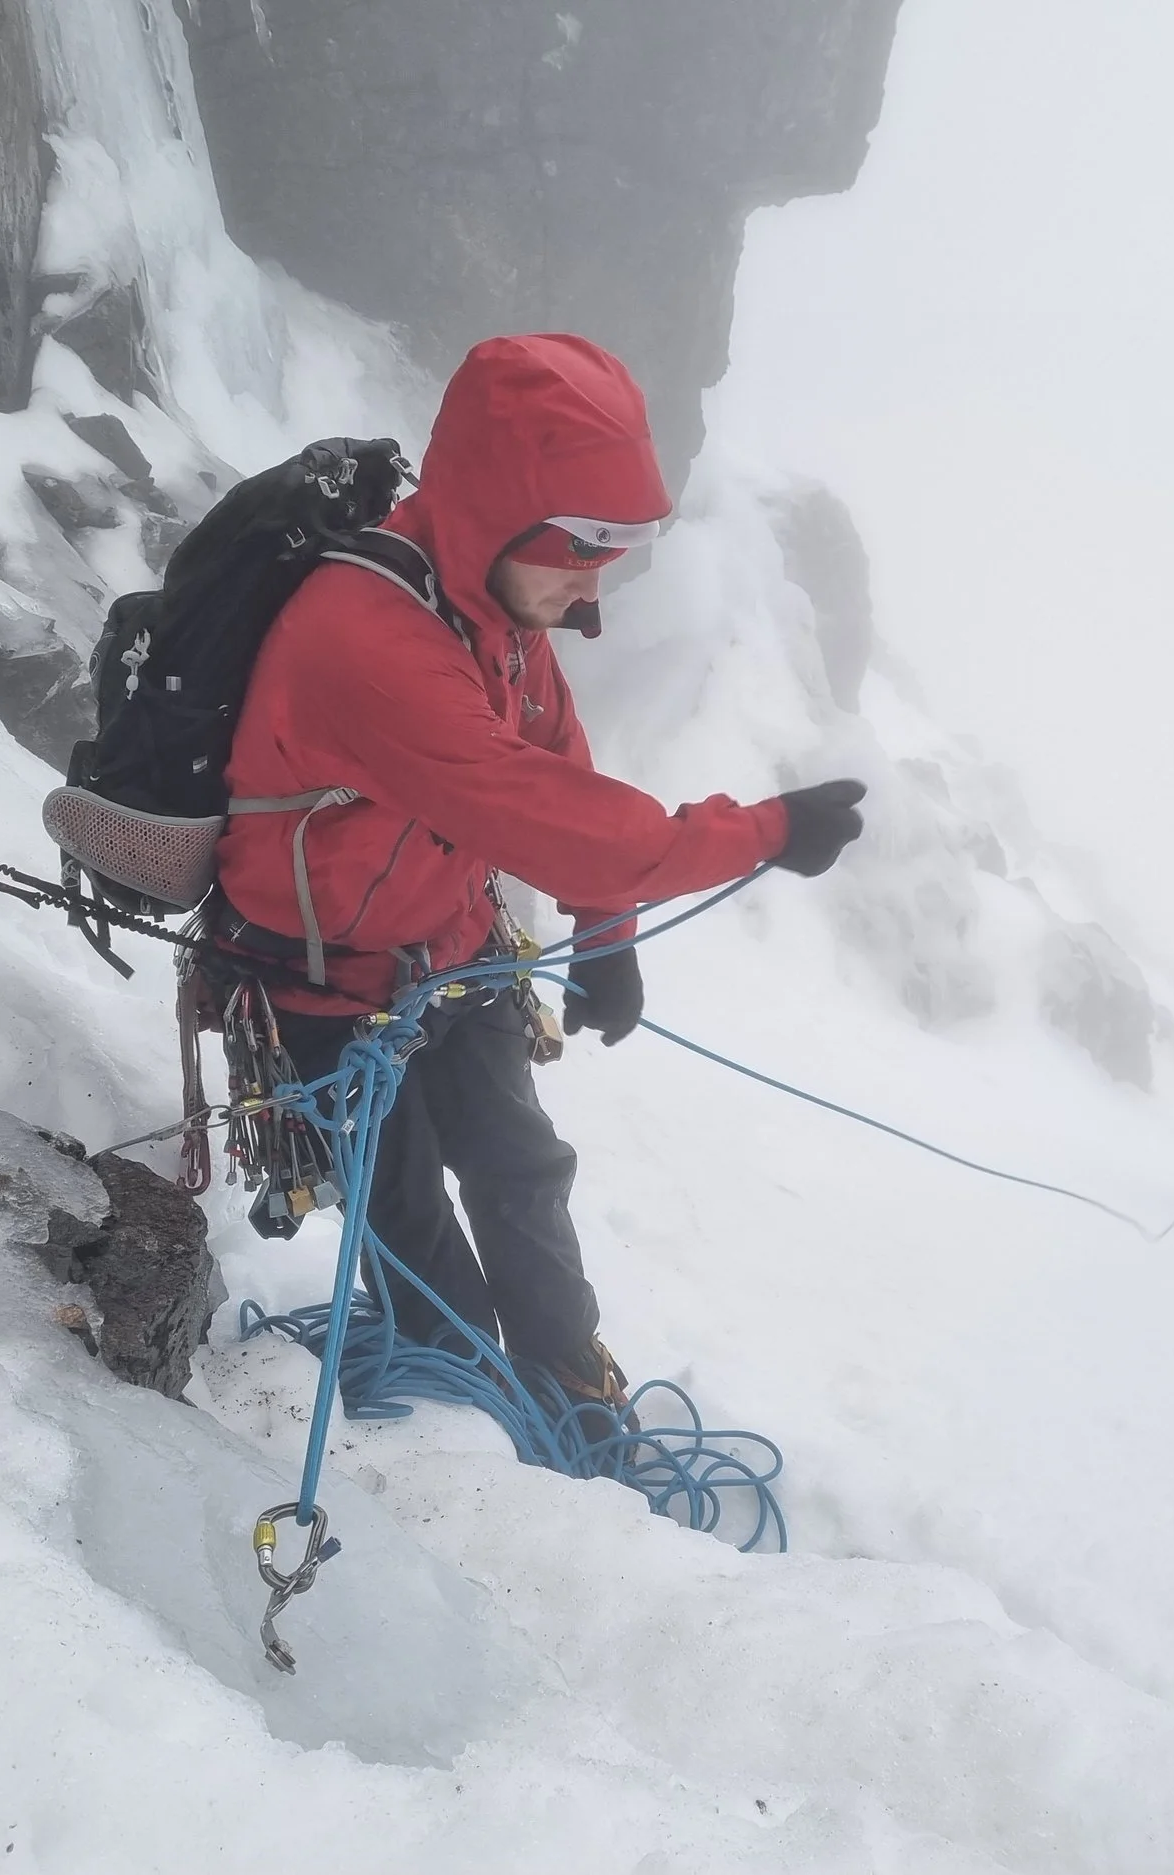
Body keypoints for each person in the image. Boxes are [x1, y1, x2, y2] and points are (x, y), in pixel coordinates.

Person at [210, 333, 868, 1408]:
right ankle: (464, 1408)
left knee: (520, 1170)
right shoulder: (368, 639)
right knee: (406, 1200)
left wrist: (606, 940)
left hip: (452, 948)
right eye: (579, 545)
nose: (593, 583)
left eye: (619, 547)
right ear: (493, 506)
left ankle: (568, 1385)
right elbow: (556, 824)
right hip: (318, 985)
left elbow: (559, 769)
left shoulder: (493, 612)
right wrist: (759, 833)